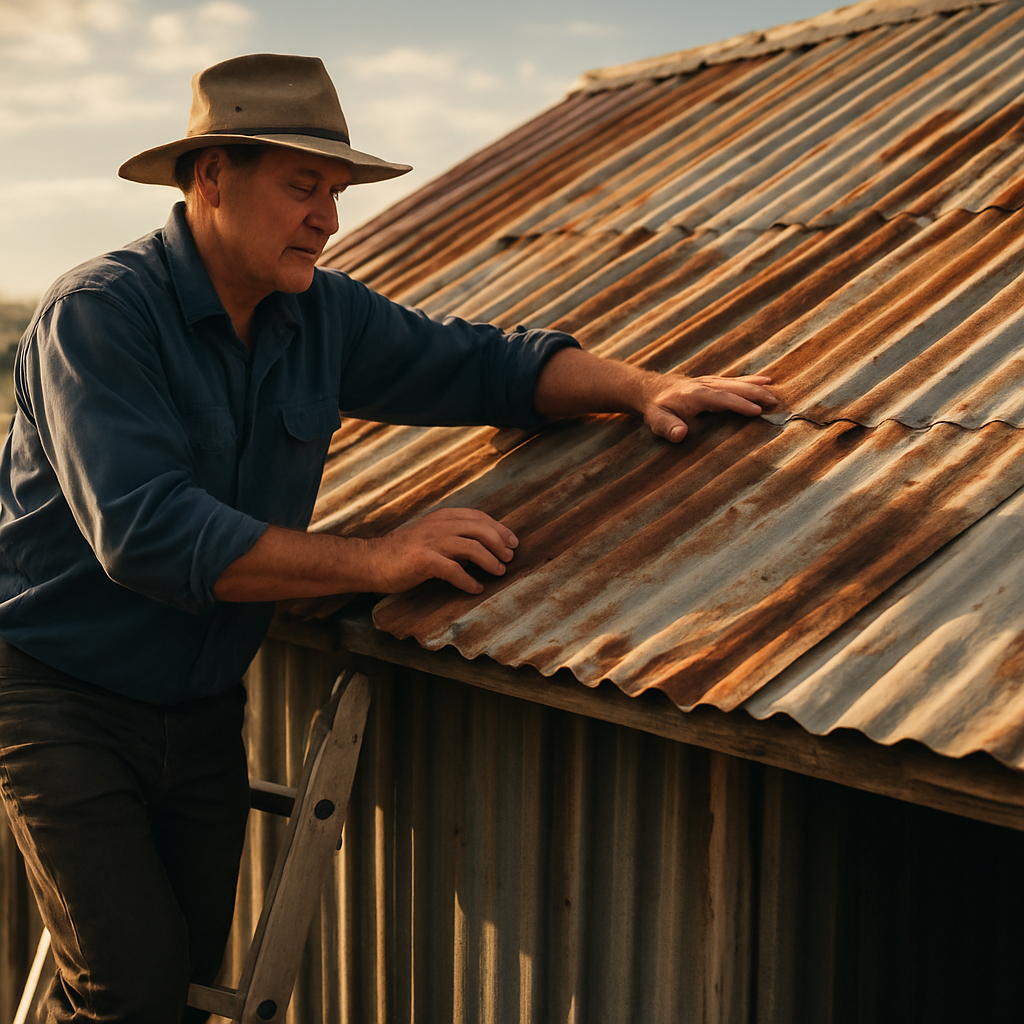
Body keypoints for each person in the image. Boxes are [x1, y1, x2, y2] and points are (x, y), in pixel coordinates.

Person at [0, 53, 777, 1023]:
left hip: (198, 705)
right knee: (131, 991)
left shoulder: (316, 315)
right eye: (301, 187)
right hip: (59, 696)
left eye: (335, 190)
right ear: (210, 178)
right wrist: (377, 557)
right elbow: (149, 532)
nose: (328, 216)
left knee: (191, 980)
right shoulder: (102, 317)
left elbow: (484, 365)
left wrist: (643, 389)